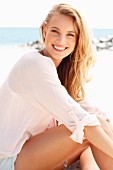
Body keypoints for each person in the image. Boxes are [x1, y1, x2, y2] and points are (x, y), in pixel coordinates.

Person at [0, 3, 113, 170]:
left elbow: (91, 113)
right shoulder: (34, 64)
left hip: (30, 152)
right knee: (90, 130)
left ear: (77, 39)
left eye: (70, 34)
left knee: (95, 132)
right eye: (55, 31)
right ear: (44, 31)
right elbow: (84, 122)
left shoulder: (57, 70)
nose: (61, 40)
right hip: (9, 160)